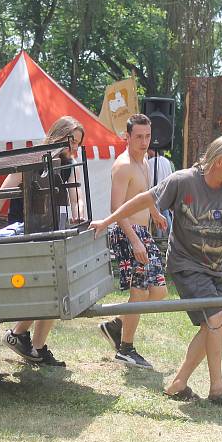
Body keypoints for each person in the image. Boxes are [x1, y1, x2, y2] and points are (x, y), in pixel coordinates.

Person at [90, 134, 222, 407]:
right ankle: (217, 388)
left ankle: (179, 382)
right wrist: (108, 220)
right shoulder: (183, 181)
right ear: (217, 162)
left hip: (215, 268)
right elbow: (145, 199)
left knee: (216, 323)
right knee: (216, 319)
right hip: (186, 265)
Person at [0, 116, 86, 367]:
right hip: (25, 232)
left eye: (79, 143)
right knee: (47, 289)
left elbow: (76, 195)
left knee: (56, 287)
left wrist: (80, 213)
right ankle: (20, 336)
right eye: (73, 142)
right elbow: (1, 194)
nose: (75, 148)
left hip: (51, 231)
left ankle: (34, 347)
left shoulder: (70, 163)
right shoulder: (30, 160)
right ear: (59, 136)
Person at [97, 114, 168, 369]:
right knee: (139, 292)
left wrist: (156, 213)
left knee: (159, 291)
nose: (144, 141)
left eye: (147, 136)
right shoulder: (123, 165)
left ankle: (116, 324)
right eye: (138, 136)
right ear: (127, 137)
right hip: (127, 232)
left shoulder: (146, 161)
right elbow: (117, 207)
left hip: (144, 231)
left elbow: (144, 196)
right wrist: (135, 241)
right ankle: (126, 349)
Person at [146, 149, 175, 237]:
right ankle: (169, 234)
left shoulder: (150, 162)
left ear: (151, 150)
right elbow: (170, 175)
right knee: (165, 214)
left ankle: (160, 237)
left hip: (155, 191)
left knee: (157, 215)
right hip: (166, 190)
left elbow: (149, 180)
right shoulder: (167, 161)